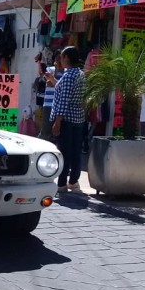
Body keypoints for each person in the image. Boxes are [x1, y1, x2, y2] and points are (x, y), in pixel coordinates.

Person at [51, 46, 86, 193]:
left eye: (62, 57)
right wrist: (51, 79)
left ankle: (62, 183)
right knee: (75, 151)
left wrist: (58, 122)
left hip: (66, 120)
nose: (60, 60)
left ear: (66, 58)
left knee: (64, 152)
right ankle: (73, 181)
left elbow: (64, 101)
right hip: (79, 119)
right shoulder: (80, 74)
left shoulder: (68, 76)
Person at [40, 51, 63, 141]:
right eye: (57, 60)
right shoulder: (50, 69)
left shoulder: (66, 73)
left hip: (60, 105)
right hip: (49, 104)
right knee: (46, 130)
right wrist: (56, 71)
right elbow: (49, 83)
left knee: (57, 132)